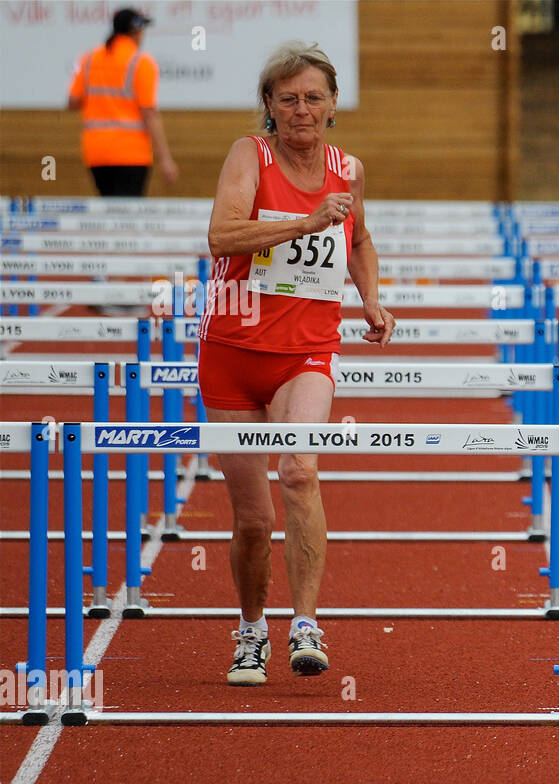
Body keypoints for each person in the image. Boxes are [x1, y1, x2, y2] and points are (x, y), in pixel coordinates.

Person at [199, 42, 395, 686]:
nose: (302, 109)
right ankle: (251, 628)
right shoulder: (248, 155)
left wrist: (371, 299)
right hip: (231, 354)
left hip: (306, 353)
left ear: (334, 103)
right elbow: (222, 236)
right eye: (289, 98)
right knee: (253, 519)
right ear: (269, 106)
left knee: (300, 469)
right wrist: (303, 223)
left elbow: (358, 239)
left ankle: (305, 623)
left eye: (314, 97)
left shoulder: (348, 169)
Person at [67, 7, 179, 196]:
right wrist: (165, 159)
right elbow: (149, 114)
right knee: (128, 218)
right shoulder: (140, 63)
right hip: (131, 153)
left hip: (96, 153)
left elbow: (73, 102)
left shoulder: (88, 59)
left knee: (108, 211)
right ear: (135, 31)